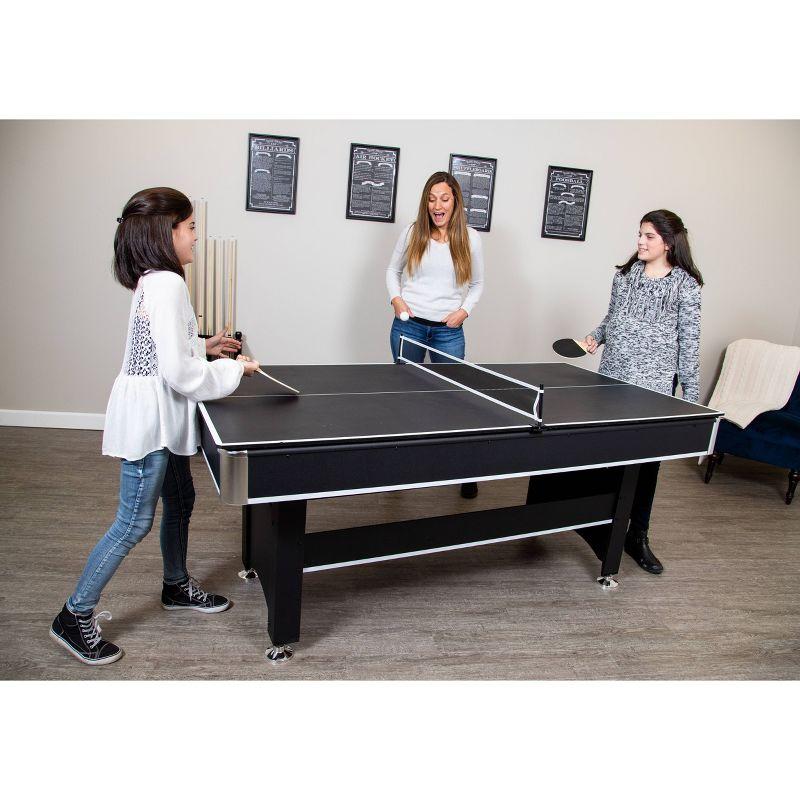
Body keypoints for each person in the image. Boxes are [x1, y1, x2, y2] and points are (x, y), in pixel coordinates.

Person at [50, 187, 260, 665]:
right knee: (132, 523)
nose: (194, 239)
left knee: (181, 499)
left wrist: (205, 344)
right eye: (190, 229)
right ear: (165, 232)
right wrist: (235, 370)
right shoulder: (167, 283)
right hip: (151, 421)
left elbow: (164, 348)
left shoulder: (155, 279)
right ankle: (73, 615)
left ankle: (175, 586)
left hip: (159, 413)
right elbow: (179, 373)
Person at [581, 209, 704, 574]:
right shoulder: (625, 276)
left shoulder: (687, 286)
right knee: (609, 458)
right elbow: (612, 319)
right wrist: (595, 337)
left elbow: (689, 346)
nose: (640, 241)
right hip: (611, 381)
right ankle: (604, 527)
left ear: (668, 242)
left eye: (648, 236)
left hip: (651, 391)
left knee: (645, 468)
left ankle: (638, 536)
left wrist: (691, 401)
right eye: (639, 234)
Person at [386, 171, 485, 498]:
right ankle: (398, 472)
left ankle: (466, 470)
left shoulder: (470, 238)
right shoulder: (413, 233)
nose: (436, 205)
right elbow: (393, 271)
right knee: (403, 401)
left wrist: (464, 311)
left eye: (443, 198)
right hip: (409, 325)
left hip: (448, 331)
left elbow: (477, 283)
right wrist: (397, 299)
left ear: (455, 201)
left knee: (456, 403)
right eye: (431, 199)